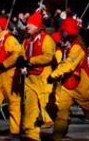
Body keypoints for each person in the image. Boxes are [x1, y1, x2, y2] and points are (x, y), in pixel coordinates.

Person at [49, 18, 89, 141]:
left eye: (63, 30)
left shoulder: (77, 46)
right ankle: (56, 136)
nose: (61, 32)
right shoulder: (67, 44)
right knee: (62, 112)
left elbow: (70, 64)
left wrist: (54, 75)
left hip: (81, 84)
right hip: (68, 83)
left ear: (68, 31)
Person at [20, 11, 56, 141]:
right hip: (30, 78)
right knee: (30, 108)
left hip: (43, 78)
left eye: (30, 24)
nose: (27, 26)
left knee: (44, 105)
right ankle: (32, 135)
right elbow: (22, 54)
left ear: (37, 26)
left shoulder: (47, 39)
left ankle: (55, 123)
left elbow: (48, 57)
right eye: (27, 24)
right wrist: (21, 62)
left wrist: (31, 61)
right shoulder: (26, 41)